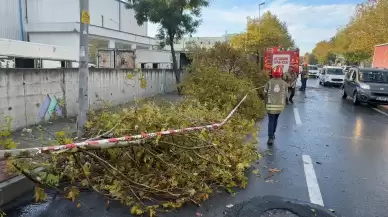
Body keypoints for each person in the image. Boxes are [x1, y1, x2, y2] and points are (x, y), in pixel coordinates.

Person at [264, 66, 288, 145]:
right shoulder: (284, 84)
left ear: (273, 74)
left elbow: (264, 92)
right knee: (275, 120)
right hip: (279, 106)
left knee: (271, 121)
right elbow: (286, 95)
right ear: (281, 74)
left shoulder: (269, 82)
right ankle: (273, 134)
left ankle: (270, 138)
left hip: (270, 105)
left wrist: (265, 100)